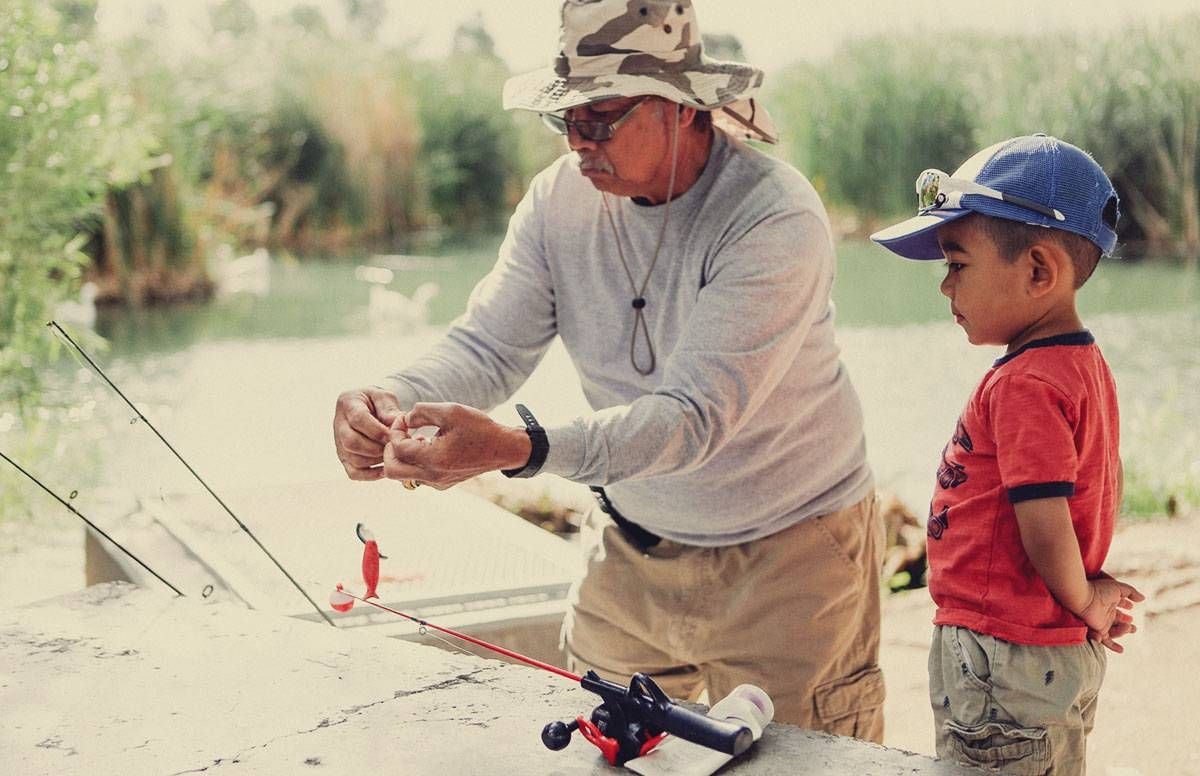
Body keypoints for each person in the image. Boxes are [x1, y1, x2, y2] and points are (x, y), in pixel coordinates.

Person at [333, 0, 884, 738]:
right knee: (603, 753)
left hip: (789, 561)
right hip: (629, 549)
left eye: (602, 117)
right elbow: (489, 347)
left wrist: (517, 449)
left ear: (682, 108)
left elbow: (690, 420)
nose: (579, 142)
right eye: (567, 120)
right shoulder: (558, 201)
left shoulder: (773, 215)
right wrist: (391, 396)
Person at [871, 135, 1146, 774]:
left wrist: (1084, 602)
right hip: (1044, 650)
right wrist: (1082, 598)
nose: (945, 287)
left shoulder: (1025, 382)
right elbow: (1092, 492)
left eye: (957, 264)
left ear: (1038, 272)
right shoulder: (1082, 365)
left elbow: (1044, 517)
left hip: (1004, 655)